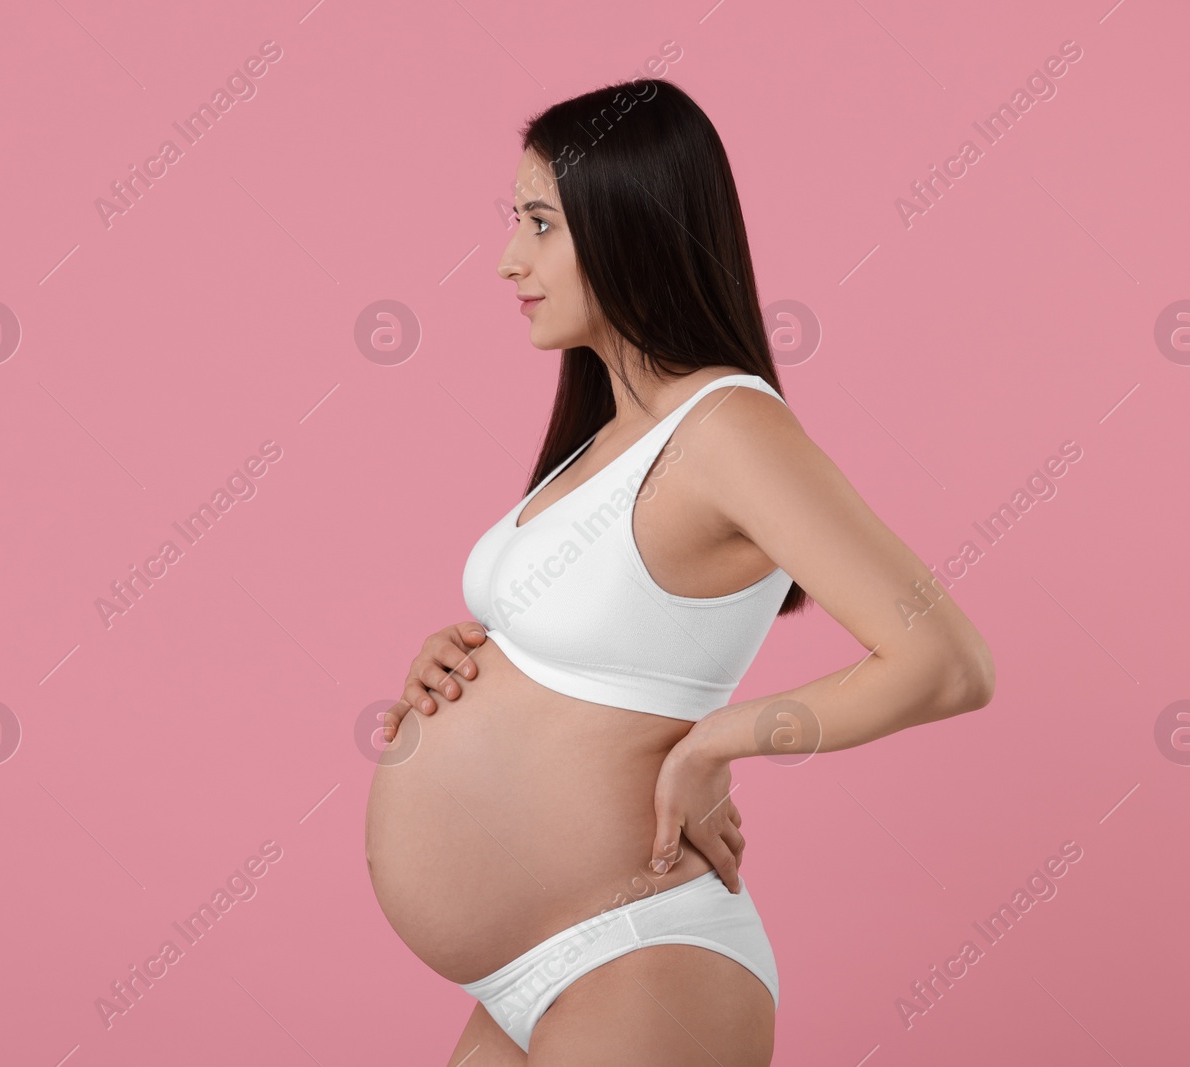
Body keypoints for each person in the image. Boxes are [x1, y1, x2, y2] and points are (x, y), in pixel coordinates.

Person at [364, 78, 994, 1066]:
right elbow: (598, 642)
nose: (506, 261)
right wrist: (462, 658)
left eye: (539, 223)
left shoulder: (727, 425)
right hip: (528, 974)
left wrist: (715, 744)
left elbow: (947, 662)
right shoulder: (607, 435)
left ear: (629, 225)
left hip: (635, 961)